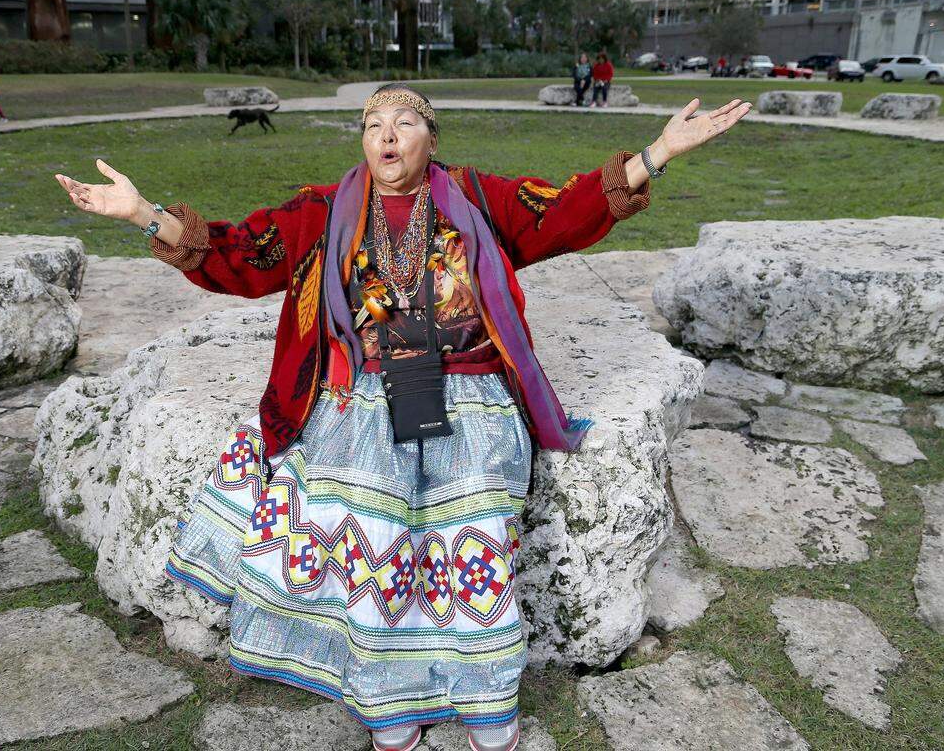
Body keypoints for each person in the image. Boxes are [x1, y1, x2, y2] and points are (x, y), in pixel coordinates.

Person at [54, 83, 751, 751]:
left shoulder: (478, 198)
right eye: (372, 125)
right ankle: (388, 704)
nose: (387, 136)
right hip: (360, 398)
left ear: (431, 138)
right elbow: (241, 253)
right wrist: (143, 213)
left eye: (404, 123)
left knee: (472, 541)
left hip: (471, 397)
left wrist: (655, 153)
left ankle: (485, 705)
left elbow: (563, 210)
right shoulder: (323, 212)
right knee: (369, 541)